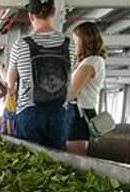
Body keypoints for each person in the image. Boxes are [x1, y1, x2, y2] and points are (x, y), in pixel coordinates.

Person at [7, 0, 77, 150]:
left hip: (29, 111)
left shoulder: (21, 45)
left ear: (31, 16)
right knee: (57, 162)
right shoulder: (69, 44)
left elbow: (11, 84)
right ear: (53, 12)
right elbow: (72, 75)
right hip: (59, 111)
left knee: (28, 163)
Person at [66, 22, 107, 155]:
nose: (74, 45)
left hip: (79, 114)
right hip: (79, 112)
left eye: (76, 41)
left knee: (74, 159)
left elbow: (70, 93)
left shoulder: (91, 62)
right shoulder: (92, 61)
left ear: (85, 40)